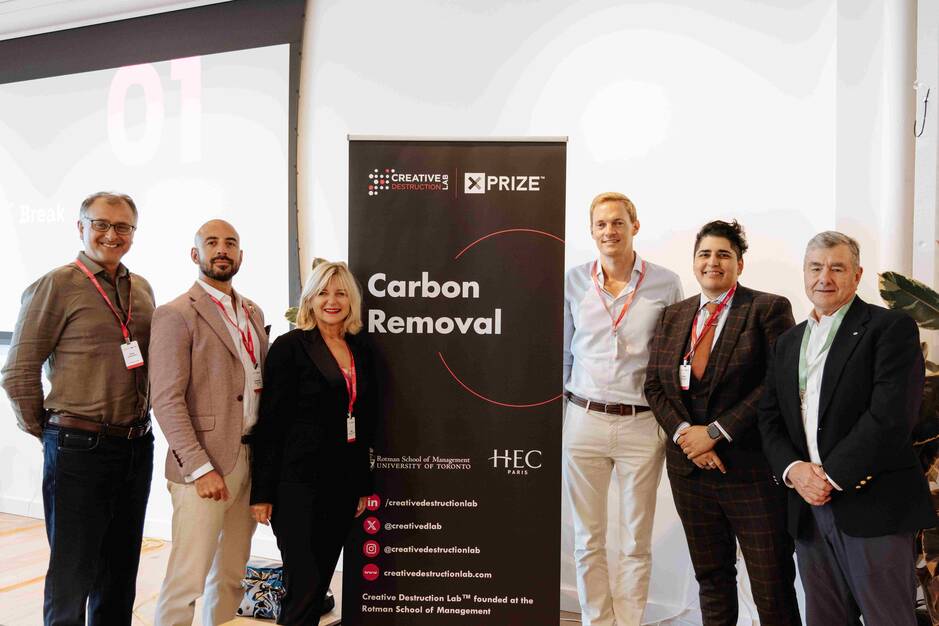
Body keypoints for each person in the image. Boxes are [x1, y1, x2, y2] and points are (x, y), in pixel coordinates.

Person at [758, 231, 936, 625]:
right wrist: (796, 471)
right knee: (825, 619)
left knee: (888, 618)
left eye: (837, 268)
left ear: (857, 276)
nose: (825, 277)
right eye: (816, 267)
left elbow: (890, 417)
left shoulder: (889, 328)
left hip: (872, 503)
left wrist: (832, 476)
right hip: (807, 507)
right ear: (804, 273)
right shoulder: (789, 342)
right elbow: (769, 418)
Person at [1, 192, 155, 626]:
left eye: (123, 227)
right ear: (81, 227)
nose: (112, 234)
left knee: (120, 570)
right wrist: (52, 433)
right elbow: (18, 371)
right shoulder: (56, 284)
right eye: (101, 223)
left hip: (135, 445)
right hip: (78, 447)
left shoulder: (141, 289)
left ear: (133, 234)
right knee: (73, 572)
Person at [644, 220, 800, 625]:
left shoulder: (767, 308)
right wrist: (686, 437)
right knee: (711, 579)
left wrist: (714, 433)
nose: (712, 262)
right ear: (694, 262)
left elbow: (776, 383)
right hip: (690, 470)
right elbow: (655, 385)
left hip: (750, 470)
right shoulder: (673, 316)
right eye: (704, 254)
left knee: (772, 581)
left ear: (740, 264)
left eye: (723, 255)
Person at [563, 192, 683, 626]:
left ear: (635, 225)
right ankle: (597, 620)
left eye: (617, 222)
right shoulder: (573, 281)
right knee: (587, 537)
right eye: (601, 224)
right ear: (592, 231)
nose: (609, 232)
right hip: (584, 419)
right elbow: (564, 354)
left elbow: (673, 358)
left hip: (641, 423)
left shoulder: (666, 283)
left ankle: (628, 622)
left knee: (635, 538)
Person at [149, 220, 268, 626]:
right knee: (187, 579)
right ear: (195, 254)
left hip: (249, 459)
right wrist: (199, 467)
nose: (222, 249)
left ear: (241, 255)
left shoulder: (252, 311)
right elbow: (165, 399)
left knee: (233, 575)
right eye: (212, 242)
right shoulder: (175, 314)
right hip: (205, 467)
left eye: (230, 243)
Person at [249, 260, 377, 625]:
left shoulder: (360, 348)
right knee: (303, 586)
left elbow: (364, 424)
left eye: (339, 293)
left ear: (351, 300)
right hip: (297, 488)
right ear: (310, 299)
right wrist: (262, 493)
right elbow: (271, 423)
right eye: (323, 292)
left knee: (318, 583)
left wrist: (362, 487)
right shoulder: (290, 347)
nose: (331, 301)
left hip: (342, 486)